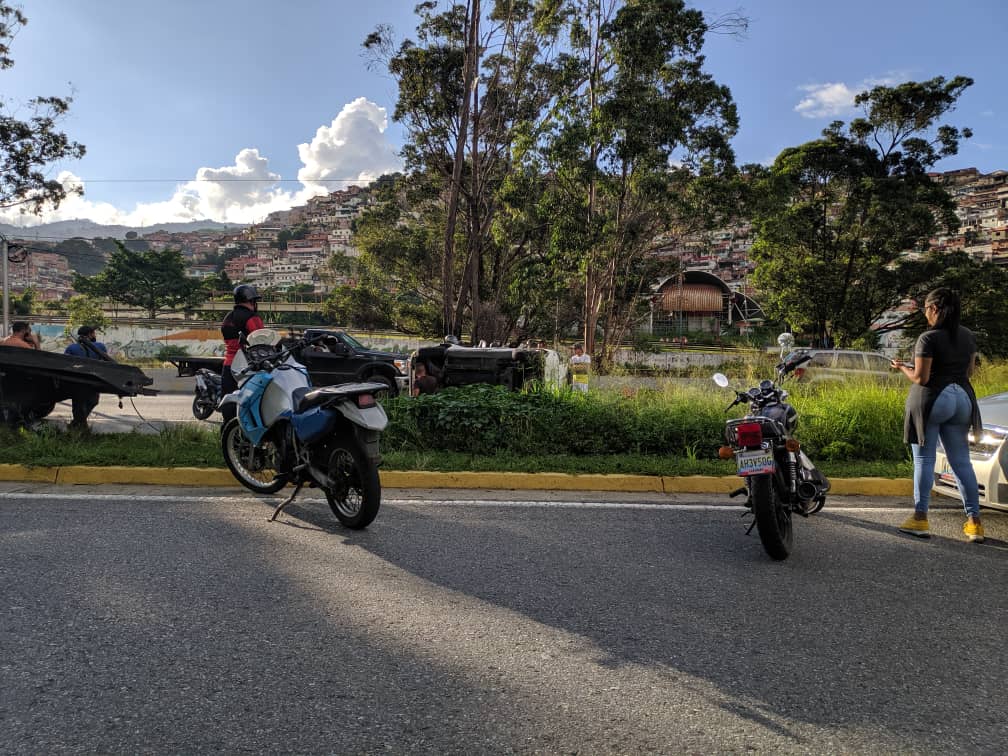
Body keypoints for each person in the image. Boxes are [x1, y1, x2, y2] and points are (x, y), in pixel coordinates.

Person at [891, 287, 984, 542]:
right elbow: (969, 373)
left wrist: (902, 368)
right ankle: (974, 523)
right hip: (962, 398)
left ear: (934, 309)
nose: (925, 315)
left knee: (924, 459)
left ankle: (920, 519)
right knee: (961, 462)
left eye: (926, 310)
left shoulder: (928, 338)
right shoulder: (968, 336)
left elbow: (922, 378)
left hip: (933, 399)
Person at [220, 284, 265, 421]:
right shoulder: (251, 318)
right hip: (247, 367)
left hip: (228, 366)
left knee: (229, 405)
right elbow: (262, 340)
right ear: (251, 301)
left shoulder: (228, 318)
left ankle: (228, 435)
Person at [63, 325, 109, 429]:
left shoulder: (71, 348)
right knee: (93, 401)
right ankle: (79, 425)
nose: (94, 335)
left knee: (78, 404)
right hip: (94, 380)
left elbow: (65, 364)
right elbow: (106, 363)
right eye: (93, 333)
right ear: (90, 334)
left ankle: (77, 423)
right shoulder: (100, 346)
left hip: (76, 381)